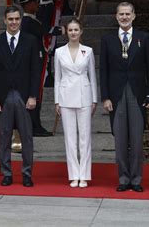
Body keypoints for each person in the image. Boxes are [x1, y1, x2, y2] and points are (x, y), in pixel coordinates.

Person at [100, 1, 149, 192]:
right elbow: (104, 71)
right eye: (121, 14)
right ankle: (124, 179)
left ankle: (137, 179)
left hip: (137, 94)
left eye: (127, 14)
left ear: (134, 16)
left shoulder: (144, 38)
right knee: (120, 140)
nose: (124, 17)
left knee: (137, 140)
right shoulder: (107, 40)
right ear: (116, 17)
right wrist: (105, 96)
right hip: (116, 96)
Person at [0, 6, 41, 187]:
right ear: (4, 20)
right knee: (4, 136)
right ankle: (7, 173)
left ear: (21, 20)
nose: (14, 22)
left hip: (25, 96)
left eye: (17, 19)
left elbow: (36, 71)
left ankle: (27, 174)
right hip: (3, 97)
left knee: (26, 137)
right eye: (10, 19)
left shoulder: (31, 41)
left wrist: (34, 95)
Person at [54, 18, 98, 188]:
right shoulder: (59, 52)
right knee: (70, 138)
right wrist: (57, 101)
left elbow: (92, 76)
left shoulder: (88, 51)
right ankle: (73, 174)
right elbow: (57, 77)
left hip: (84, 95)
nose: (73, 33)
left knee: (85, 138)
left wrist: (94, 98)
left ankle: (84, 175)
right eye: (70, 30)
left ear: (81, 32)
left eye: (76, 30)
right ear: (66, 32)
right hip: (65, 97)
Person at [19, 0, 63, 138]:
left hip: (37, 63)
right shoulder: (27, 22)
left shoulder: (33, 20)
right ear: (28, 5)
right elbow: (46, 31)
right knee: (35, 95)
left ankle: (35, 125)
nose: (37, 5)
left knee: (37, 95)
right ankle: (34, 126)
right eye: (35, 2)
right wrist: (65, 30)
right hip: (34, 64)